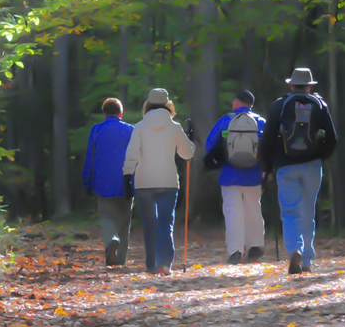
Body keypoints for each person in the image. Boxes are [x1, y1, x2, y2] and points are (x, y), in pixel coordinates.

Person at [258, 68, 338, 274]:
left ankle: (295, 249)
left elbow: (267, 140)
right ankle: (308, 261)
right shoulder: (320, 105)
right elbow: (332, 139)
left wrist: (266, 167)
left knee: (290, 212)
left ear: (291, 85)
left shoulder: (279, 105)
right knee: (308, 212)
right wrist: (320, 157)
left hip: (285, 166)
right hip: (312, 166)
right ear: (310, 86)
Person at [123, 88, 196, 276]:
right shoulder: (175, 127)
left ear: (147, 105)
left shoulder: (139, 127)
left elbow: (132, 154)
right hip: (168, 182)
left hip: (143, 182)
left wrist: (127, 175)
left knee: (149, 224)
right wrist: (191, 140)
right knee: (165, 223)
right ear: (168, 105)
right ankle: (164, 263)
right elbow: (186, 154)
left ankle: (150, 265)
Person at [205, 90, 267, 265]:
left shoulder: (226, 120)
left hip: (229, 175)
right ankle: (255, 246)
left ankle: (235, 251)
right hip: (254, 174)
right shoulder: (261, 121)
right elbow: (270, 147)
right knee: (254, 208)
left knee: (232, 212)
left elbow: (210, 145)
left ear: (237, 102)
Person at [82, 98, 135, 266]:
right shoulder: (130, 130)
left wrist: (87, 183)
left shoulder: (96, 130)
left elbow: (90, 159)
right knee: (124, 221)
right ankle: (120, 260)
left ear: (104, 114)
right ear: (121, 113)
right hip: (126, 183)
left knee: (106, 217)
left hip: (103, 183)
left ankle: (111, 240)